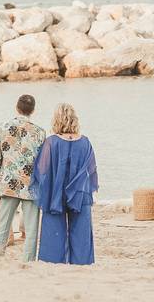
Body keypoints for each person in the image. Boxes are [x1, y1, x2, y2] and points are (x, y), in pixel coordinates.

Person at [30, 103, 98, 265]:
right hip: (79, 194)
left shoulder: (51, 142)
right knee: (81, 231)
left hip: (55, 194)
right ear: (75, 119)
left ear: (56, 120)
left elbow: (42, 169)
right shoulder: (85, 142)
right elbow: (92, 169)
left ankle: (53, 261)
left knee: (53, 231)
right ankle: (81, 262)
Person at [0, 94, 46, 261]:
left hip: (8, 183)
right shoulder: (40, 132)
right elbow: (43, 165)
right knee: (31, 228)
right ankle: (27, 260)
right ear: (33, 110)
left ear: (17, 108)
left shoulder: (1, 127)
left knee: (3, 225)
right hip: (31, 185)